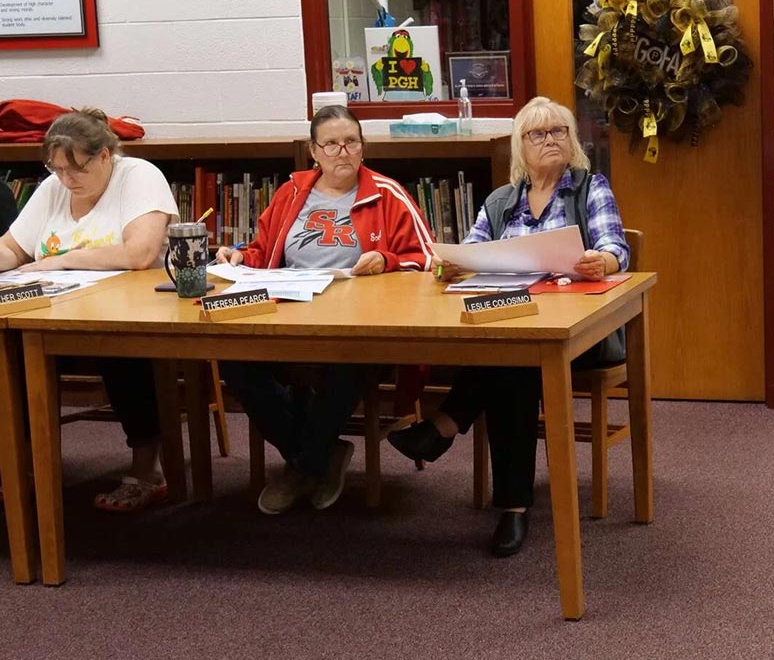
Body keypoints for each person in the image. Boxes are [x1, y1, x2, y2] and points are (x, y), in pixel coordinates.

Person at [387, 96, 630, 556]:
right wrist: (454, 265)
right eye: (538, 134)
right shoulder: (502, 200)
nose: (550, 140)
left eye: (558, 131)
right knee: (513, 358)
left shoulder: (588, 187)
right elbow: (473, 249)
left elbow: (617, 245)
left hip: (583, 332)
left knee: (513, 362)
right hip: (520, 321)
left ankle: (449, 433)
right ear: (521, 146)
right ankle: (509, 505)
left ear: (572, 140)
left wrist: (604, 259)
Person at [216, 105, 432, 515]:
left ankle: (302, 467)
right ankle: (320, 456)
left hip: (359, 318)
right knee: (235, 361)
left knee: (347, 358)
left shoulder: (388, 193)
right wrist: (240, 257)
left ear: (362, 148)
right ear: (313, 151)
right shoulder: (291, 192)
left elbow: (426, 256)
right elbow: (264, 249)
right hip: (290, 310)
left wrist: (387, 260)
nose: (342, 151)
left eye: (351, 142)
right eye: (330, 144)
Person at [0, 108, 179, 512]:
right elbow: (13, 249)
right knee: (8, 350)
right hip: (51, 310)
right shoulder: (54, 188)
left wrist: (62, 259)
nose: (65, 179)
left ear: (104, 156)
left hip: (134, 310)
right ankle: (20, 465)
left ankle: (147, 470)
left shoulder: (137, 176)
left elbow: (140, 253)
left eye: (75, 169)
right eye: (57, 169)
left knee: (117, 350)